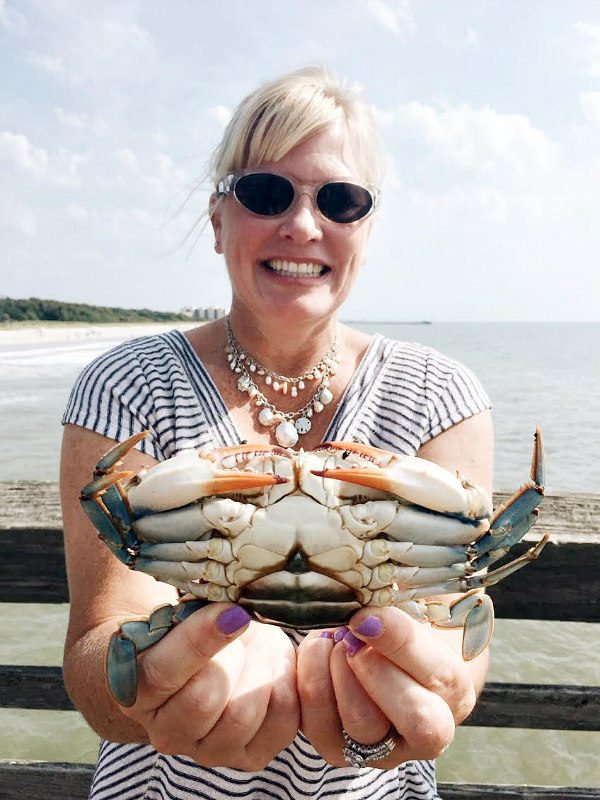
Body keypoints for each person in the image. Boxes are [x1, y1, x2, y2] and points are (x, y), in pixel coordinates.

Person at [61, 66, 493, 800]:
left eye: (340, 200)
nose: (301, 224)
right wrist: (144, 684)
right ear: (218, 217)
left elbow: (466, 615)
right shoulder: (124, 389)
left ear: (365, 227)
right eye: (265, 193)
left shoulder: (442, 397)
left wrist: (435, 691)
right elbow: (100, 645)